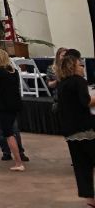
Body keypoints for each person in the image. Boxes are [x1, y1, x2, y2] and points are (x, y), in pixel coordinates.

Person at [55, 49, 95, 206]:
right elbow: (86, 102)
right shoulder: (78, 81)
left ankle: (90, 200)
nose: (83, 67)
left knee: (81, 166)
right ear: (73, 67)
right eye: (80, 65)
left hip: (70, 131)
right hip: (84, 129)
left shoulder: (62, 84)